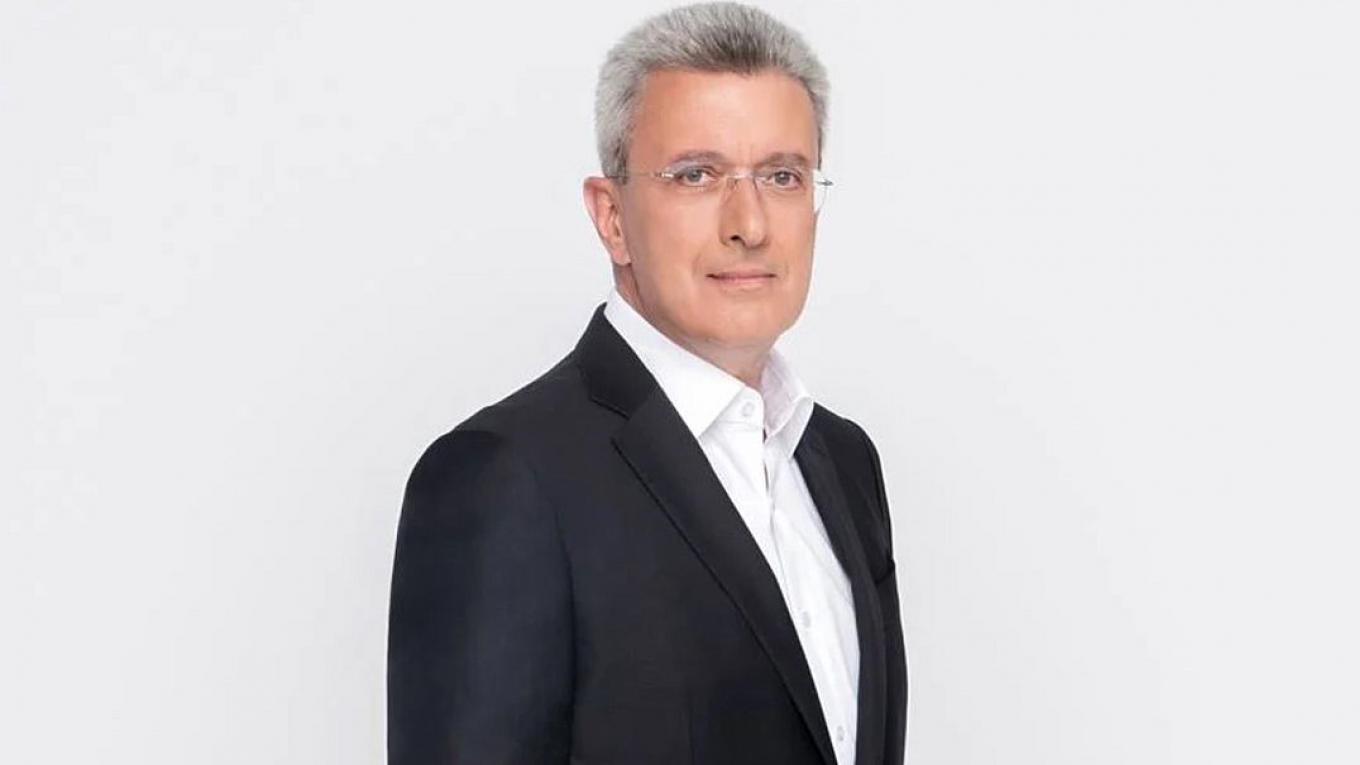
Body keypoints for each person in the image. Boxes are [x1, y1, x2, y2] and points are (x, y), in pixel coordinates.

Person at [386, 3, 906, 763]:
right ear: (612, 218)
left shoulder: (844, 462)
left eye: (782, 176)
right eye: (696, 175)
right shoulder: (505, 477)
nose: (750, 224)